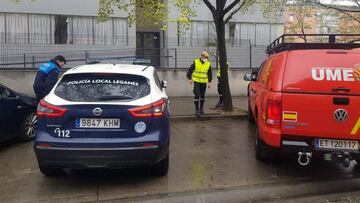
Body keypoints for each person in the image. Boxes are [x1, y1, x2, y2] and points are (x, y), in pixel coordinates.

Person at [187, 52, 212, 117]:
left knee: (203, 96)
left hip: (204, 82)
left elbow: (209, 73)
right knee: (197, 94)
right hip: (196, 81)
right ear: (201, 56)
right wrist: (190, 79)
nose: (205, 58)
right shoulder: (196, 62)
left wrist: (209, 82)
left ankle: (201, 109)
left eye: (207, 57)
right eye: (204, 57)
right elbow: (190, 71)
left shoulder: (208, 64)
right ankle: (197, 110)